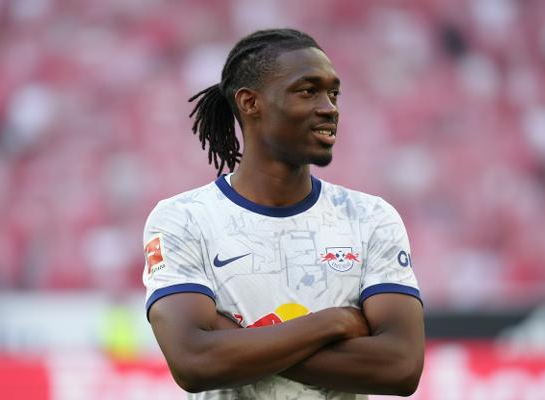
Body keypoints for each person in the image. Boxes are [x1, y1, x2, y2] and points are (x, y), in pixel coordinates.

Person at [143, 28, 424, 399]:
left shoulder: (371, 218)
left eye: (334, 93)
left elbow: (401, 367)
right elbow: (195, 363)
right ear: (250, 103)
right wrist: (334, 322)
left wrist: (238, 342)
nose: (330, 108)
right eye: (308, 91)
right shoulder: (183, 219)